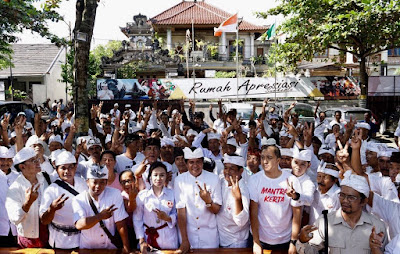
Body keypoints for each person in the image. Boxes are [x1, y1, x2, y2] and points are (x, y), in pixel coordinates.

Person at [298, 173, 388, 254]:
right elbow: (311, 252)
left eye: (351, 197)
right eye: (342, 195)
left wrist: (375, 248)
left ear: (364, 201)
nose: (344, 200)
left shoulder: (377, 226)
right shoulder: (325, 222)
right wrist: (303, 241)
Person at [248, 145, 302, 254]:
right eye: (262, 157)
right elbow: (253, 212)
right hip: (261, 239)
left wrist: (293, 241)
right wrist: (256, 242)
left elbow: (297, 213)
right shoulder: (254, 179)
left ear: (278, 160)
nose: (265, 161)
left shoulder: (291, 180)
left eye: (269, 157)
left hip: (285, 240)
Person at [72, 164, 131, 252]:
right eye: (94, 182)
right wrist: (100, 216)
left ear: (106, 182)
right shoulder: (78, 199)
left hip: (110, 246)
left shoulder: (115, 194)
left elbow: (120, 223)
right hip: (87, 248)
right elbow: (79, 225)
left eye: (102, 182)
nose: (98, 186)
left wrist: (126, 247)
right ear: (87, 182)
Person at [174, 147, 222, 252]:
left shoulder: (214, 179)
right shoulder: (179, 181)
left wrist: (208, 201)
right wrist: (185, 240)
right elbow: (181, 212)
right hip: (189, 235)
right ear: (186, 164)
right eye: (191, 162)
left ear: (202, 163)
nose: (195, 166)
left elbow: (217, 210)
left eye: (198, 162)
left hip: (210, 236)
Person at [39, 151, 87, 249]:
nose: (67, 171)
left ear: (75, 167)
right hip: (61, 241)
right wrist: (52, 209)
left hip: (83, 238)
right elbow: (44, 221)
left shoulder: (83, 183)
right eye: (63, 168)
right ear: (57, 170)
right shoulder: (51, 190)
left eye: (70, 167)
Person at [5, 147, 51, 248]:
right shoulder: (15, 188)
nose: (38, 162)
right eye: (33, 161)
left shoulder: (46, 178)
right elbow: (14, 219)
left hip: (50, 235)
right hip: (29, 239)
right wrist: (28, 203)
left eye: (37, 159)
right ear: (22, 167)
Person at [134, 162, 178, 252]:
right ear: (150, 177)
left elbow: (178, 214)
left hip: (168, 238)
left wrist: (168, 218)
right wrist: (141, 241)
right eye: (155, 175)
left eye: (162, 175)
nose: (158, 178)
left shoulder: (172, 194)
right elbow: (137, 219)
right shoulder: (142, 195)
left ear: (166, 177)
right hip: (148, 237)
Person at [217, 154, 250, 248]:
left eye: (232, 168)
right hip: (220, 238)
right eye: (225, 168)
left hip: (236, 242)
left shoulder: (243, 190)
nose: (227, 172)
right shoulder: (222, 182)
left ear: (241, 171)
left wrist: (237, 199)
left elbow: (241, 221)